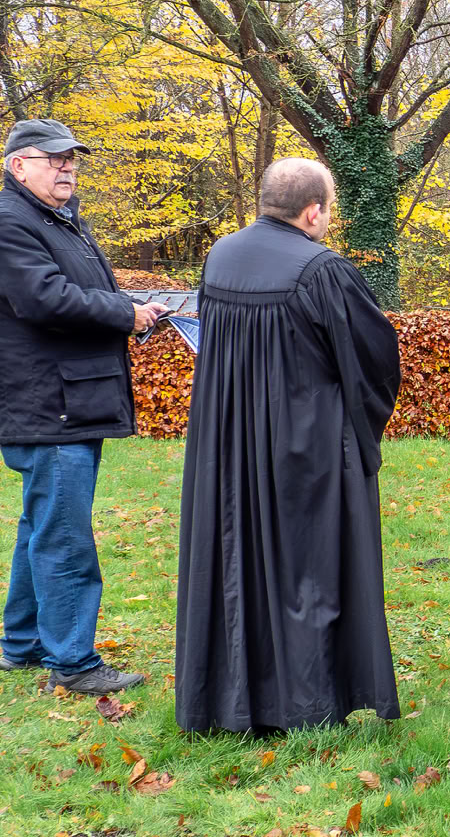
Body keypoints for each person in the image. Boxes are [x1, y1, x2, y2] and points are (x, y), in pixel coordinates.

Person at [175, 158, 402, 733]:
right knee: (308, 565)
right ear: (313, 212)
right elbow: (375, 357)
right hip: (305, 444)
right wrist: (360, 426)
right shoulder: (321, 269)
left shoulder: (221, 254)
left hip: (227, 442)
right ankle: (306, 704)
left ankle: (229, 701)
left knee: (236, 557)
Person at [0, 118, 166, 695]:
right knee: (64, 537)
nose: (67, 166)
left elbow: (79, 292)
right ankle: (74, 664)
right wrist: (126, 314)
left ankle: (23, 645)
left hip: (69, 399)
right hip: (49, 406)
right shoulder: (4, 222)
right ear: (16, 165)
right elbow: (43, 299)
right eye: (53, 158)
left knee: (41, 526)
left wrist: (133, 306)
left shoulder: (59, 222)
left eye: (71, 157)